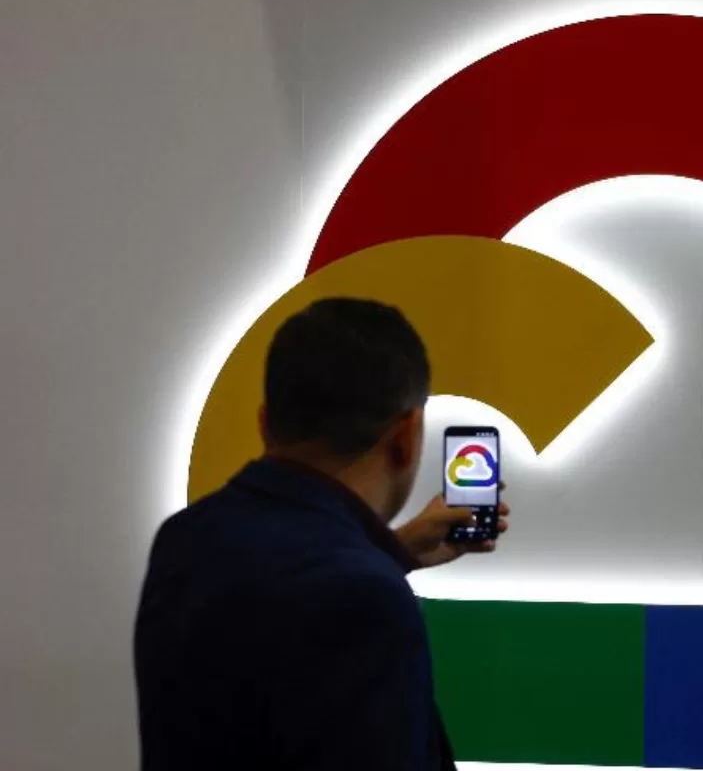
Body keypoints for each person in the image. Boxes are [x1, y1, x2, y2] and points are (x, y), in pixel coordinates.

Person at [135, 297, 508, 770]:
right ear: (406, 437)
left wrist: (392, 552)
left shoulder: (184, 539)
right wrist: (378, 565)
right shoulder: (365, 597)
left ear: (265, 424)